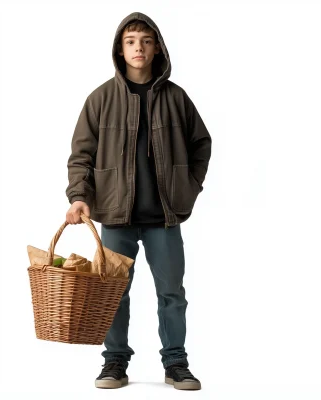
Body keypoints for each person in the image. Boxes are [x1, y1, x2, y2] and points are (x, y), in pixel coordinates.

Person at [65, 12, 212, 390]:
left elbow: (201, 144)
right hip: (115, 216)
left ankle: (176, 362)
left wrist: (188, 188)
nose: (138, 48)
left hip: (164, 216)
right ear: (120, 48)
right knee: (113, 293)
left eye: (146, 40)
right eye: (131, 41)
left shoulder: (176, 97)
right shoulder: (100, 99)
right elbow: (81, 155)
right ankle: (114, 362)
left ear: (157, 47)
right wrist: (79, 197)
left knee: (172, 293)